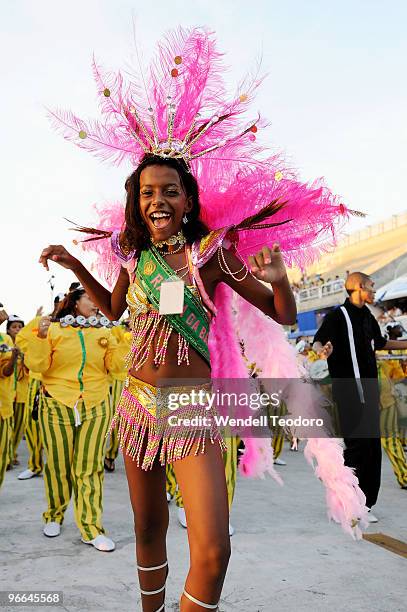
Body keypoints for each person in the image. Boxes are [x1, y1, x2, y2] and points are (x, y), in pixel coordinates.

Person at [42, 28, 370, 609]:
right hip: (135, 402)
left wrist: (279, 280)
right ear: (136, 201)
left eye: (169, 191)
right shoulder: (133, 256)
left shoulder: (210, 253)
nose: (157, 201)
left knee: (213, 551)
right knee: (147, 531)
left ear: (188, 199)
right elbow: (117, 311)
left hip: (193, 403)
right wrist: (73, 262)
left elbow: (281, 316)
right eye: (147, 193)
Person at [24, 287, 121, 551]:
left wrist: (124, 338)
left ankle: (91, 528)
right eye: (90, 297)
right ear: (75, 303)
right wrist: (41, 336)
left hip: (96, 403)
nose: (96, 302)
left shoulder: (105, 331)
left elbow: (117, 367)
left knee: (89, 467)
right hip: (57, 402)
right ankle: (55, 514)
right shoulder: (54, 329)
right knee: (57, 464)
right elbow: (38, 365)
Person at [313, 272, 407, 522]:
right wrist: (321, 350)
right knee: (357, 448)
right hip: (348, 392)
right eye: (371, 286)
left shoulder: (367, 316)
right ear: (357, 287)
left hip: (369, 391)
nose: (374, 291)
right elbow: (318, 341)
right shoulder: (337, 316)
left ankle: (363, 503)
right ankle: (346, 503)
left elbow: (381, 343)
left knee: (372, 449)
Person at [0, 313, 20, 487]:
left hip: (3, 405)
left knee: (2, 456)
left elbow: (6, 372)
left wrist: (13, 358)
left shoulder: (4, 339)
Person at [6, 315, 28, 467]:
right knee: (6, 427)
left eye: (20, 327)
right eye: (14, 327)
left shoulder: (26, 345)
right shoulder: (4, 344)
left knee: (19, 427)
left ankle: (12, 454)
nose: (17, 330)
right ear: (8, 330)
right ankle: (5, 455)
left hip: (21, 393)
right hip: (6, 394)